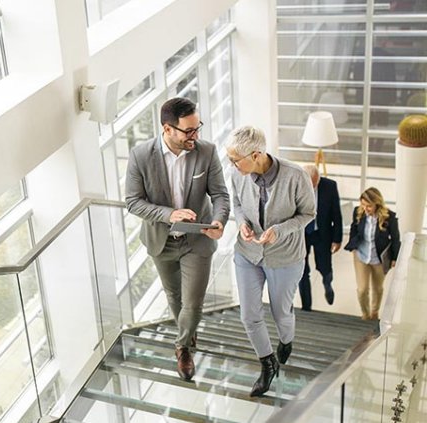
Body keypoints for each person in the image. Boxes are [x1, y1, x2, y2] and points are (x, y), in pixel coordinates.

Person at [125, 97, 230, 381]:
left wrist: (219, 220)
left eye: (198, 128)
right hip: (162, 240)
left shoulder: (206, 152)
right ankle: (188, 333)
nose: (195, 135)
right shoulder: (140, 155)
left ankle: (183, 347)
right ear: (167, 129)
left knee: (193, 303)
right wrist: (169, 214)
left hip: (197, 241)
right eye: (189, 131)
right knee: (174, 296)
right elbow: (133, 202)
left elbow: (220, 194)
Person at [226, 126, 315, 397]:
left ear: (256, 155)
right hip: (248, 253)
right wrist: (241, 223)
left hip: (285, 257)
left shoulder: (296, 176)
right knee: (248, 315)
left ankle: (286, 340)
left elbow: (308, 213)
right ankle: (267, 363)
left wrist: (280, 230)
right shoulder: (237, 173)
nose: (231, 164)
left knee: (280, 313)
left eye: (235, 159)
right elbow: (238, 204)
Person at [343, 187, 401, 320]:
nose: (365, 209)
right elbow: (354, 227)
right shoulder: (358, 212)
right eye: (363, 205)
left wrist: (395, 258)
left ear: (377, 204)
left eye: (368, 206)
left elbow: (396, 239)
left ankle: (374, 312)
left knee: (378, 288)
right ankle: (365, 313)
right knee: (362, 289)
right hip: (361, 256)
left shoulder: (389, 217)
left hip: (379, 259)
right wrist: (353, 243)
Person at [298, 165, 343, 310]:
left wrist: (337, 239)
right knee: (302, 270)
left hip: (321, 232)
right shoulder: (295, 185)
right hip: (301, 234)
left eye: (315, 184)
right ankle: (306, 307)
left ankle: (327, 284)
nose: (312, 188)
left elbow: (337, 214)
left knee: (324, 266)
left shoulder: (330, 186)